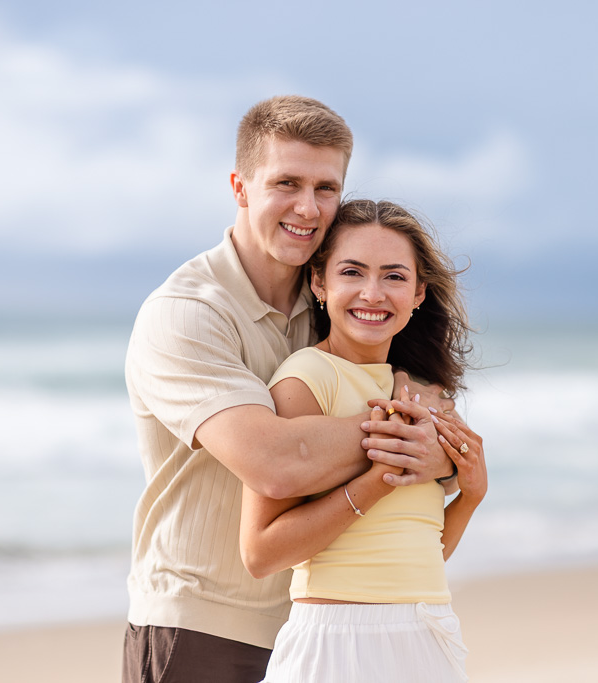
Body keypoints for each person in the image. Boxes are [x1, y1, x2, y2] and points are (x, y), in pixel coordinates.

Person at [122, 96, 457, 683]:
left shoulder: (336, 304)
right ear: (241, 186)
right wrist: (408, 434)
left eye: (326, 187)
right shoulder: (186, 315)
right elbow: (277, 463)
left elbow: (438, 435)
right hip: (202, 627)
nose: (308, 207)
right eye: (287, 183)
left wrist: (442, 451)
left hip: (316, 628)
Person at [239, 199, 487, 683]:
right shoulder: (307, 378)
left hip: (426, 631)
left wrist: (472, 493)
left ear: (419, 293)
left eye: (394, 277)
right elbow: (261, 553)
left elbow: (419, 556)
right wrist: (380, 479)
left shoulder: (424, 392)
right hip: (335, 642)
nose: (372, 294)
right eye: (352, 272)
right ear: (319, 282)